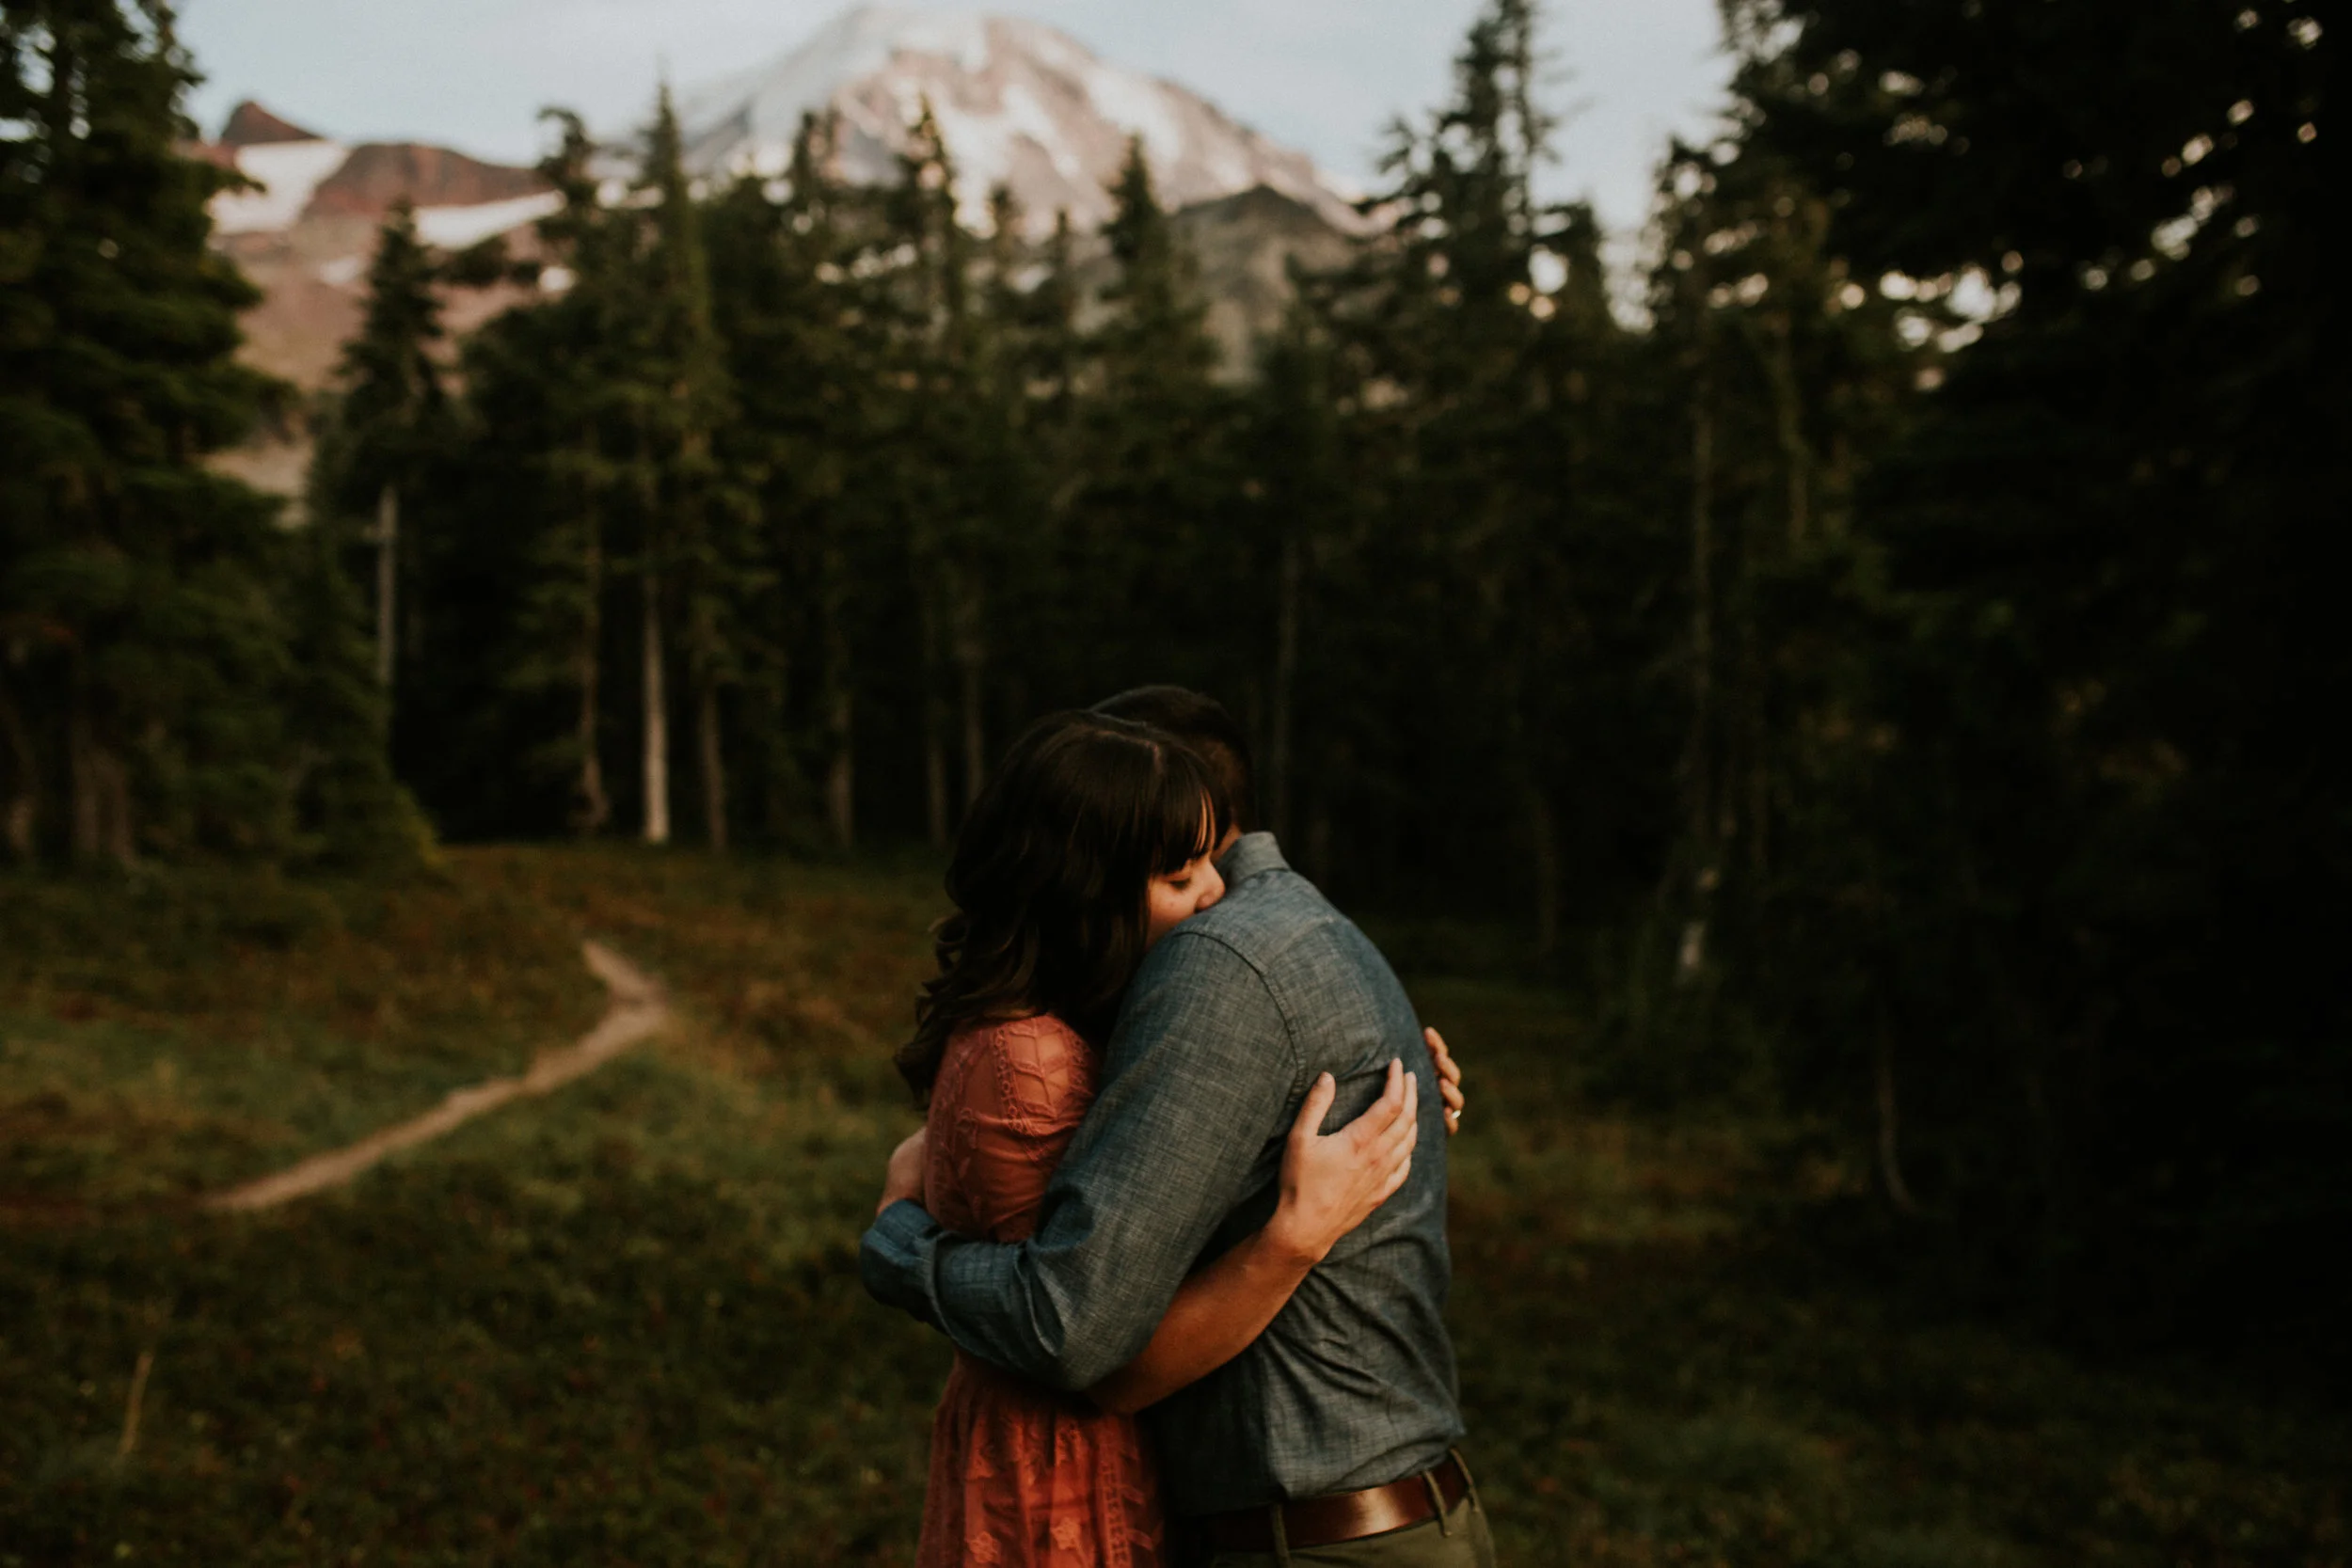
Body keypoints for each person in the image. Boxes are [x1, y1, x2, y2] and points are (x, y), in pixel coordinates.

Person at [866, 688, 1492, 1567]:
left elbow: (1079, 1333)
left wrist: (904, 1248)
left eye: (1203, 861)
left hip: (1322, 1538)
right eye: (1177, 871)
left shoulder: (1221, 964)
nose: (1209, 896)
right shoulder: (1304, 930)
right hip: (1348, 1520)